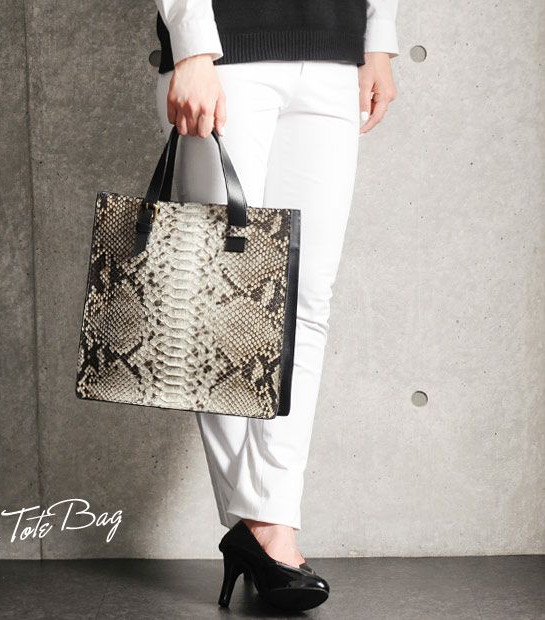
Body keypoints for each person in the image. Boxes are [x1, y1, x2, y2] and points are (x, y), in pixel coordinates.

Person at [152, 0, 398, 612]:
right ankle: (271, 529)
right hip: (228, 50)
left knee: (305, 302)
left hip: (334, 51)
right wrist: (192, 44)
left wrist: (378, 38)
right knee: (215, 298)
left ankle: (264, 524)